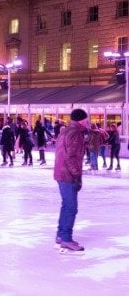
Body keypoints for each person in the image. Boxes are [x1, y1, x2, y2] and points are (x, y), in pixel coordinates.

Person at [54, 108, 88, 254]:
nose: (87, 122)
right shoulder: (76, 134)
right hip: (67, 175)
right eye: (86, 119)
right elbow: (71, 158)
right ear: (81, 120)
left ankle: (61, 235)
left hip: (60, 173)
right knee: (71, 207)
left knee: (66, 205)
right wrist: (77, 176)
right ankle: (66, 239)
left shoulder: (66, 131)